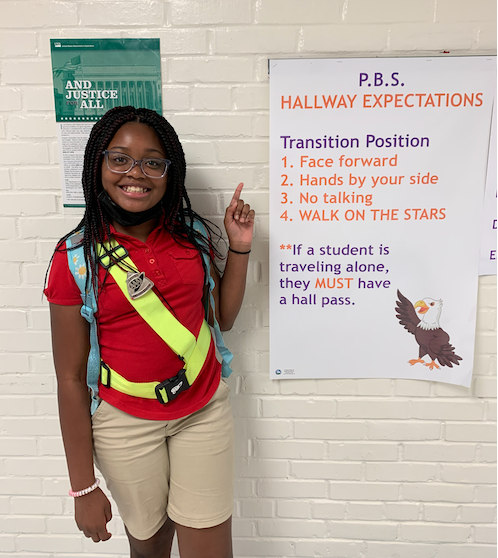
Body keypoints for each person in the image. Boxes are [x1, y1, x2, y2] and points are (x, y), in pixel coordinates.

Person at [44, 106, 254, 558]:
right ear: (97, 165)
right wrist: (82, 487)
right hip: (124, 423)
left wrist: (239, 247)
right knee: (152, 546)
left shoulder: (191, 235)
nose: (135, 173)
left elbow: (224, 318)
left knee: (209, 548)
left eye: (152, 161)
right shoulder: (74, 258)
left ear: (168, 172)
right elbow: (68, 378)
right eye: (119, 158)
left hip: (202, 408)